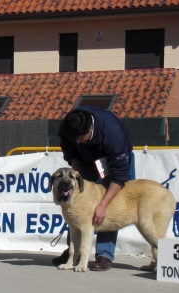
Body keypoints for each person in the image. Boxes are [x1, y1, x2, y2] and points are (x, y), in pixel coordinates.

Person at [52, 105, 135, 271]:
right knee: (76, 209)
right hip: (86, 161)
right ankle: (74, 253)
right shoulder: (69, 125)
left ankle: (103, 255)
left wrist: (103, 205)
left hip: (113, 163)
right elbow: (67, 144)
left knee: (109, 208)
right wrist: (73, 159)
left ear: (91, 128)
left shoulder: (111, 133)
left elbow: (119, 176)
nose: (78, 142)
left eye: (81, 138)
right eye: (75, 140)